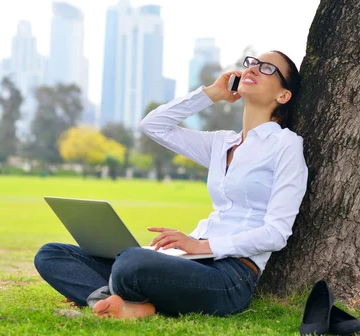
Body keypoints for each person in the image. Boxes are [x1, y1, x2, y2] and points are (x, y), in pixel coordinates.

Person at [34, 50, 308, 319]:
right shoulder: (221, 143)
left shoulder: (286, 146)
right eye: (252, 63)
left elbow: (276, 233)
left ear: (283, 96)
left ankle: (112, 296)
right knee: (52, 254)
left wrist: (202, 246)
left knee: (131, 262)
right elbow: (154, 125)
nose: (254, 68)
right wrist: (212, 94)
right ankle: (118, 302)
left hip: (230, 276)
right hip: (188, 262)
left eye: (268, 68)